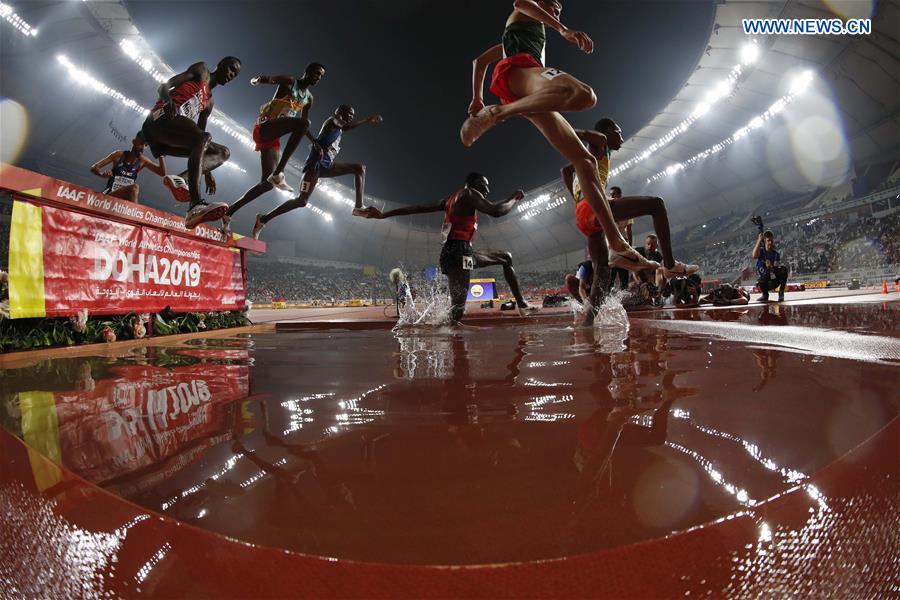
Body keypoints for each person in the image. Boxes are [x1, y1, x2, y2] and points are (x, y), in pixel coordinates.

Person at [462, 0, 657, 273]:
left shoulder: (520, 38)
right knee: (583, 94)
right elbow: (521, 2)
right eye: (553, 5)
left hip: (528, 92)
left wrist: (476, 98)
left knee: (585, 160)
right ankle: (499, 113)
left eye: (559, 10)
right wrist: (563, 28)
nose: (556, 11)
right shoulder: (525, 12)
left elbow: (479, 61)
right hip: (519, 75)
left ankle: (617, 246)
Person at [561, 118, 697, 324]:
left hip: (582, 214)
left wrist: (577, 198)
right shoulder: (600, 141)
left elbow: (566, 171)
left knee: (603, 271)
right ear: (608, 132)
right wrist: (565, 131)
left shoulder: (589, 156)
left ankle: (588, 323)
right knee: (657, 204)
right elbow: (584, 134)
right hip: (593, 205)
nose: (622, 138)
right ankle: (669, 264)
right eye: (619, 132)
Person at [366, 173, 540, 321]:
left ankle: (522, 305)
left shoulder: (451, 199)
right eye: (484, 185)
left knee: (506, 257)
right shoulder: (469, 193)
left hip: (460, 251)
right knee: (457, 312)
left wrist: (384, 215)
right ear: (473, 184)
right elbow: (496, 211)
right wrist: (514, 198)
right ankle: (442, 338)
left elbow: (418, 208)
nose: (487, 190)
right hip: (459, 252)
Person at [252, 105, 382, 239]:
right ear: (339, 112)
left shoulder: (339, 129)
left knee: (359, 168)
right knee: (301, 201)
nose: (351, 117)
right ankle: (263, 219)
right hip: (314, 165)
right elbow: (344, 126)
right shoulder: (334, 120)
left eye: (352, 116)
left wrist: (315, 142)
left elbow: (317, 132)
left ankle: (358, 207)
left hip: (326, 165)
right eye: (349, 113)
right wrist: (367, 120)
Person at [141, 56, 242, 228]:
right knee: (204, 138)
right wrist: (169, 100)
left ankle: (181, 182)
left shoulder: (209, 103)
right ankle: (195, 204)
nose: (232, 74)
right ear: (220, 64)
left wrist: (207, 171)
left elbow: (200, 138)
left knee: (222, 153)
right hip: (160, 119)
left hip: (170, 137)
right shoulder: (202, 71)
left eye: (235, 74)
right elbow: (163, 86)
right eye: (231, 69)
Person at [225, 63, 326, 225]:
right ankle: (279, 172)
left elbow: (303, 123)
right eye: (316, 73)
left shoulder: (309, 98)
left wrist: (314, 142)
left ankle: (229, 212)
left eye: (321, 76)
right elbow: (268, 79)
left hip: (273, 137)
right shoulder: (289, 81)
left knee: (267, 184)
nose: (318, 78)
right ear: (307, 71)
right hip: (265, 127)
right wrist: (256, 80)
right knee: (304, 123)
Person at [89, 133, 166, 203]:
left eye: (146, 145)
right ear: (134, 142)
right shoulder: (119, 155)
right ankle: (135, 215)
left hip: (124, 200)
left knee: (133, 189)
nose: (143, 148)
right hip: (110, 196)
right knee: (134, 188)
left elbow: (162, 173)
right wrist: (101, 174)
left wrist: (160, 154)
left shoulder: (143, 161)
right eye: (141, 144)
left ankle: (132, 212)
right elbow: (94, 167)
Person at [607, 186, 632, 291]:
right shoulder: (607, 208)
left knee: (623, 273)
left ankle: (624, 295)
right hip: (610, 245)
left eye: (614, 194)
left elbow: (629, 229)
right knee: (610, 275)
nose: (612, 196)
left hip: (623, 244)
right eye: (611, 194)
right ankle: (607, 296)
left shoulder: (626, 209)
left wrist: (630, 246)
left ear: (620, 195)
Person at [752, 230, 788, 302]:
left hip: (773, 281)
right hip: (763, 282)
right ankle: (765, 295)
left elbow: (775, 269)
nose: (770, 242)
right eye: (768, 240)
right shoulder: (761, 251)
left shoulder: (776, 254)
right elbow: (754, 255)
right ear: (765, 241)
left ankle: (781, 292)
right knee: (760, 280)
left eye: (771, 240)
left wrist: (771, 266)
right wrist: (759, 240)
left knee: (784, 269)